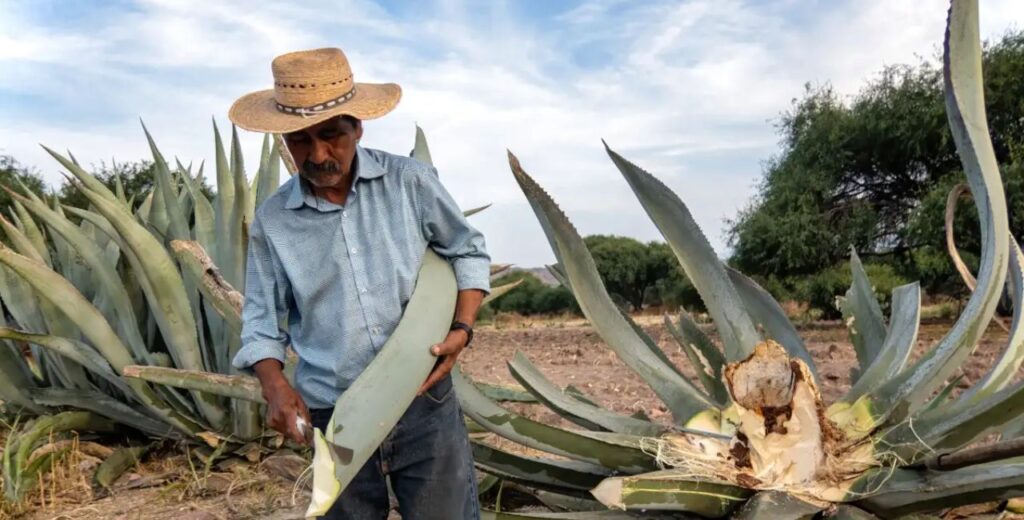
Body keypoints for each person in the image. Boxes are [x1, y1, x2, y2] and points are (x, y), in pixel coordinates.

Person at [227, 47, 489, 519]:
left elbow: (466, 250)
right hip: (336, 416)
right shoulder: (273, 222)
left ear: (357, 127)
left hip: (422, 401)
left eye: (331, 136)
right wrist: (275, 386)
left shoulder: (410, 183)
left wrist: (463, 329)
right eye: (300, 141)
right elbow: (262, 322)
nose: (319, 154)